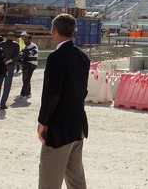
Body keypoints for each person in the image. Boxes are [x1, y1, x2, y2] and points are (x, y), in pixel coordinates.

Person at [38, 14, 91, 189]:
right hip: (77, 123)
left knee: (49, 177)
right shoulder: (83, 57)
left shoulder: (56, 58)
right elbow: (82, 91)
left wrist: (42, 121)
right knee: (75, 176)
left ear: (54, 31)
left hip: (59, 127)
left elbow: (51, 94)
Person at [0, 31, 20, 110]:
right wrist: (8, 61)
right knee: (7, 85)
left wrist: (3, 62)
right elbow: (16, 56)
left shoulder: (1, 44)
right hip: (10, 66)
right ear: (13, 37)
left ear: (6, 37)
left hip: (1, 66)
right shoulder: (16, 45)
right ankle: (3, 104)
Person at [19, 31, 38, 99]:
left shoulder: (33, 45)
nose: (24, 40)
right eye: (24, 39)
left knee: (26, 79)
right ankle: (28, 93)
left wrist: (28, 52)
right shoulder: (24, 46)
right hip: (25, 64)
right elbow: (21, 54)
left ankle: (23, 94)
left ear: (30, 39)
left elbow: (34, 52)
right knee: (25, 79)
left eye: (26, 39)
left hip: (31, 64)